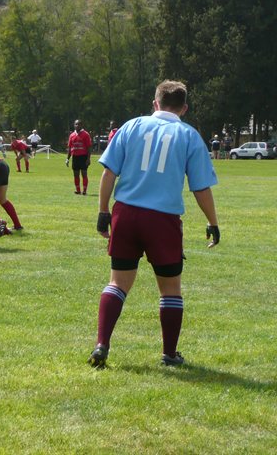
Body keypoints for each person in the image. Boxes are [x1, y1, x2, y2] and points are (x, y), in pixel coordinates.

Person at [88, 80, 220, 369]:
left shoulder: (131, 126)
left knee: (117, 283)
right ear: (184, 108)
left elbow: (109, 173)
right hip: (162, 219)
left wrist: (103, 212)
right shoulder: (189, 135)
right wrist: (213, 222)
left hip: (126, 213)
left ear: (155, 103)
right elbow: (201, 187)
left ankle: (101, 343)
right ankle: (170, 354)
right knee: (170, 289)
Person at [66, 120, 92, 195]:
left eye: (79, 124)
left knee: (84, 174)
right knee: (76, 174)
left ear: (81, 125)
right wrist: (67, 159)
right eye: (76, 124)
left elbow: (89, 147)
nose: (77, 125)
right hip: (75, 157)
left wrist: (88, 158)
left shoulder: (86, 134)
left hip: (83, 157)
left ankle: (84, 190)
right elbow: (70, 148)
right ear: (74, 125)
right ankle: (78, 190)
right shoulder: (72, 135)